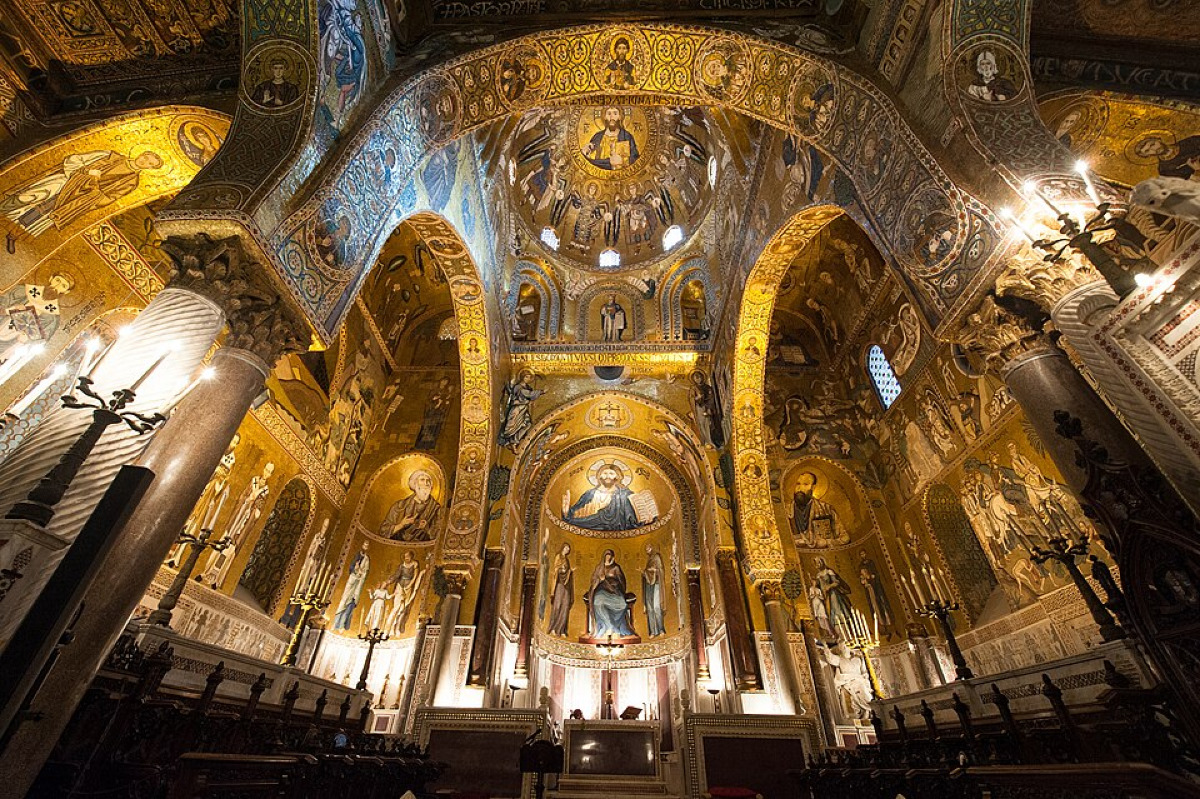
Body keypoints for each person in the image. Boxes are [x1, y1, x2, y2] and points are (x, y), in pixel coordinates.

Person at [1, 150, 163, 236]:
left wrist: (93, 189)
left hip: (81, 198)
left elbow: (109, 198)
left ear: (150, 168)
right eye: (146, 157)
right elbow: (76, 159)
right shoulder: (111, 156)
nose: (145, 161)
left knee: (46, 217)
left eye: (150, 163)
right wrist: (83, 173)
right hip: (68, 180)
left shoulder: (131, 182)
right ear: (141, 154)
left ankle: (13, 233)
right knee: (32, 195)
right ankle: (3, 209)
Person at [563, 463, 646, 531]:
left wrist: (644, 519)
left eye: (611, 473)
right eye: (605, 473)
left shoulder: (624, 495)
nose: (608, 476)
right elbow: (576, 510)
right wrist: (567, 512)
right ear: (599, 476)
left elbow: (632, 518)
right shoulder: (590, 494)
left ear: (617, 477)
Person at [381, 469, 442, 541]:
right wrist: (401, 525)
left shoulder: (436, 508)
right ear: (415, 483)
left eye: (428, 480)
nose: (426, 483)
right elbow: (383, 531)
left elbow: (439, 536)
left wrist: (426, 527)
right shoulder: (400, 506)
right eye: (422, 480)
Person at [586, 549, 636, 639]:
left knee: (623, 604)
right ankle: (607, 627)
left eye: (610, 555)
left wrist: (614, 584)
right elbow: (594, 579)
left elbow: (622, 581)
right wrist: (600, 580)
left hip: (615, 590)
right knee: (598, 601)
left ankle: (615, 627)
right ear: (604, 556)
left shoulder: (616, 567)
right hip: (601, 590)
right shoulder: (600, 567)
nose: (608, 557)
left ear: (612, 557)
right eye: (606, 555)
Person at [787, 471, 842, 547]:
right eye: (798, 484)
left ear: (813, 487)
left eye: (805, 484)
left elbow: (844, 537)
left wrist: (825, 542)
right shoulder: (786, 510)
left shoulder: (826, 509)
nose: (800, 488)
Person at [499, 370, 545, 449]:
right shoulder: (518, 387)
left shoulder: (528, 387)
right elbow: (527, 394)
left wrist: (529, 401)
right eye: (526, 377)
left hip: (523, 409)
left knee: (528, 424)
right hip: (517, 410)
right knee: (513, 427)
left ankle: (515, 440)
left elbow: (528, 396)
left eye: (529, 377)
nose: (528, 379)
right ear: (522, 377)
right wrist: (541, 391)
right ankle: (512, 442)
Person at [333, 542, 371, 630]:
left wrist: (360, 571)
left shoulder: (367, 559)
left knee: (352, 602)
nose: (365, 547)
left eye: (367, 546)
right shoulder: (357, 555)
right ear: (362, 546)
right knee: (344, 599)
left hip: (358, 582)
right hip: (352, 579)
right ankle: (336, 624)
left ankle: (344, 625)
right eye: (364, 545)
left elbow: (365, 572)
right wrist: (356, 569)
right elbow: (351, 567)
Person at [386, 550, 423, 635]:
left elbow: (415, 576)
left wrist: (410, 585)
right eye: (405, 557)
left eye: (408, 556)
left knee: (404, 608)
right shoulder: (402, 565)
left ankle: (397, 627)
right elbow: (397, 575)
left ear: (411, 557)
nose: (406, 558)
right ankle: (389, 628)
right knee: (396, 608)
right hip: (400, 586)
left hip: (408, 588)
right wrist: (389, 581)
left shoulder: (415, 564)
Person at [547, 543, 574, 636]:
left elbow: (567, 571)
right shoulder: (558, 556)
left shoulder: (567, 560)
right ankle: (554, 628)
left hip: (566, 586)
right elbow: (556, 569)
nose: (568, 550)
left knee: (565, 607)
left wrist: (569, 571)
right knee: (557, 606)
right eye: (567, 548)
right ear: (563, 548)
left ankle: (561, 630)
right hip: (559, 584)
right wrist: (562, 570)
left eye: (569, 548)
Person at [642, 544, 665, 637]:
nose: (647, 550)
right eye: (646, 549)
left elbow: (661, 570)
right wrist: (644, 572)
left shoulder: (657, 557)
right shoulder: (649, 560)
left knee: (656, 606)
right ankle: (652, 631)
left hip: (656, 583)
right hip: (648, 585)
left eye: (649, 548)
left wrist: (654, 570)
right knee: (650, 608)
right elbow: (647, 572)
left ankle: (661, 629)